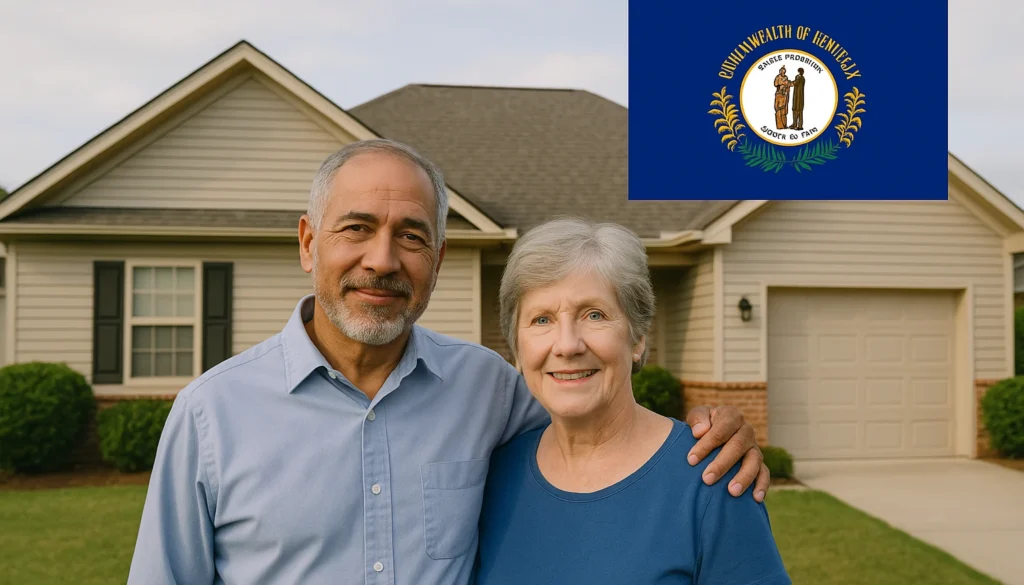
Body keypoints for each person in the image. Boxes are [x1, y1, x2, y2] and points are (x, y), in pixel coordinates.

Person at [127, 139, 771, 585]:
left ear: (436, 260)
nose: (382, 259)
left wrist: (715, 428)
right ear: (307, 242)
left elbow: (600, 427)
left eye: (411, 235)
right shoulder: (212, 415)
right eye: (355, 228)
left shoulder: (489, 391)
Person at [474, 217, 791, 585]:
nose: (567, 345)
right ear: (517, 347)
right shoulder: (495, 474)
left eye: (594, 315)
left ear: (637, 338)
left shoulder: (711, 476)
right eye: (541, 319)